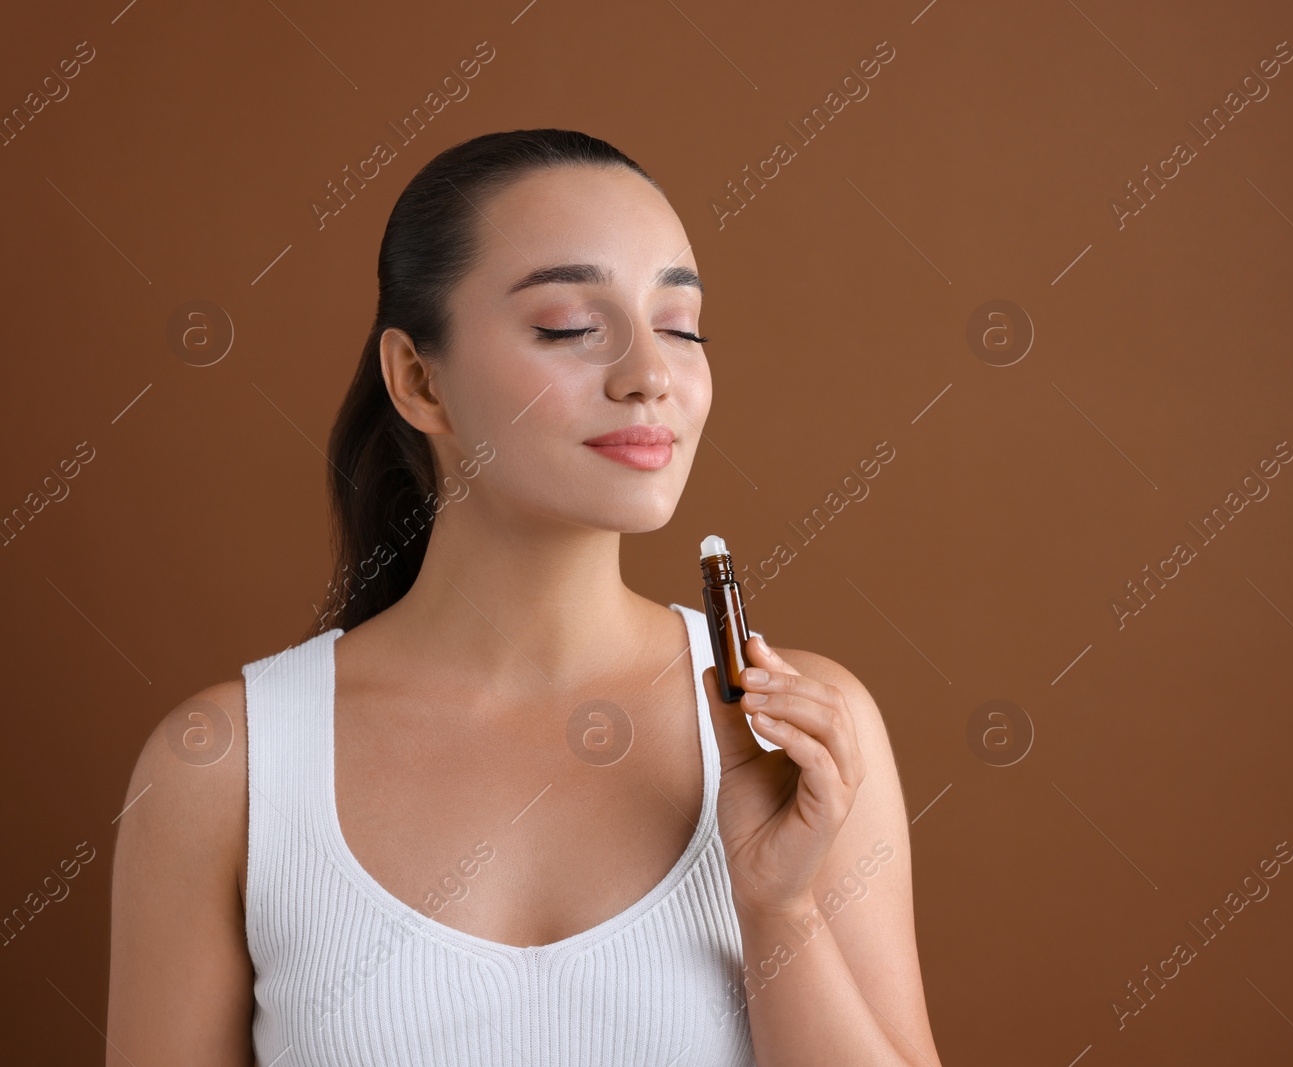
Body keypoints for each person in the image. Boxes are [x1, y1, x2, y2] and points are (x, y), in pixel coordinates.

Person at [106, 129, 941, 1066]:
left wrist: (778, 905)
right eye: (569, 328)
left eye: (679, 325)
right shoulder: (224, 767)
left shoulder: (802, 738)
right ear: (419, 380)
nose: (650, 376)